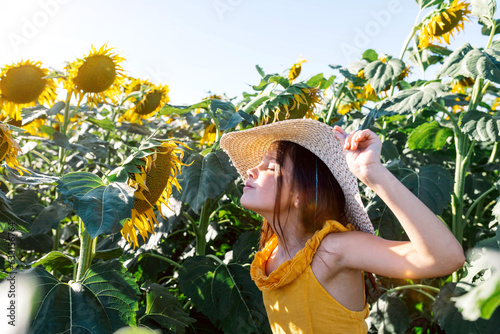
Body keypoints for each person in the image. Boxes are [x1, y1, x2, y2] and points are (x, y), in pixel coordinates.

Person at [220, 119, 465, 334]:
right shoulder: (272, 252)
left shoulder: (332, 250)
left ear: (301, 195)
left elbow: (446, 258)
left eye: (270, 167)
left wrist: (372, 173)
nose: (251, 171)